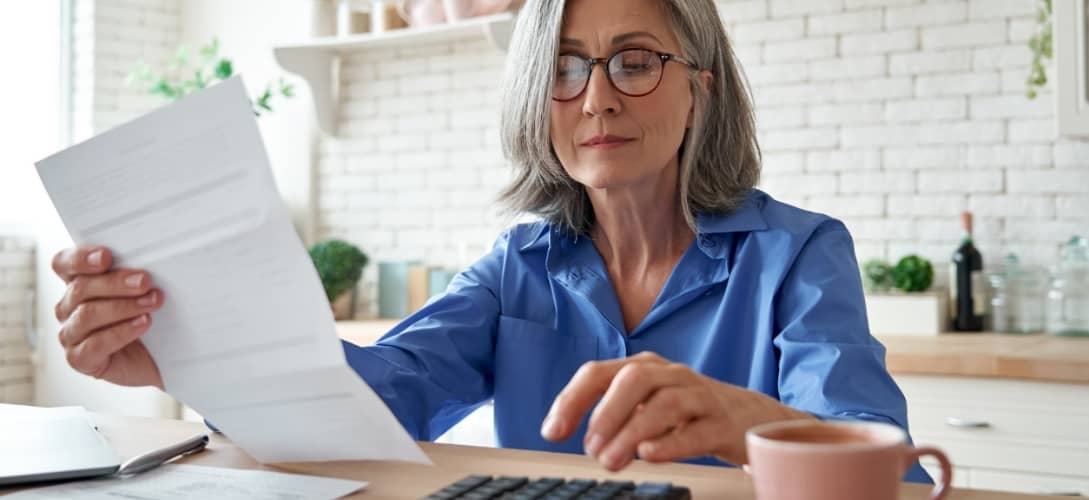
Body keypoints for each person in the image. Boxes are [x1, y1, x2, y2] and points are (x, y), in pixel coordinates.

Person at [50, 0, 931, 482]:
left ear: (698, 88)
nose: (595, 100)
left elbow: (897, 474)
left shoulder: (798, 254)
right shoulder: (517, 267)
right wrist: (178, 352)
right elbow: (372, 399)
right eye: (561, 70)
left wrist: (749, 423)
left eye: (635, 60)